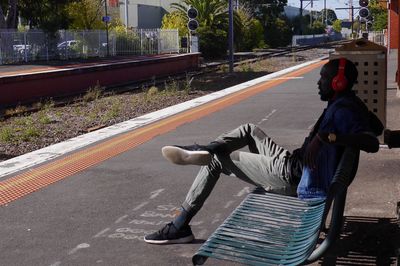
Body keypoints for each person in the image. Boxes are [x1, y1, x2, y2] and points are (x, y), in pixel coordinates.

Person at [144, 58, 382, 245]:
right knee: (249, 130)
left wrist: (328, 137)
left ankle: (180, 226)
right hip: (293, 162)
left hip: (291, 176)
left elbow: (371, 142)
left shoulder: (344, 110)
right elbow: (377, 127)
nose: (318, 82)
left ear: (337, 83)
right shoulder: (349, 102)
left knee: (217, 162)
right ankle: (205, 149)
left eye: (323, 78)